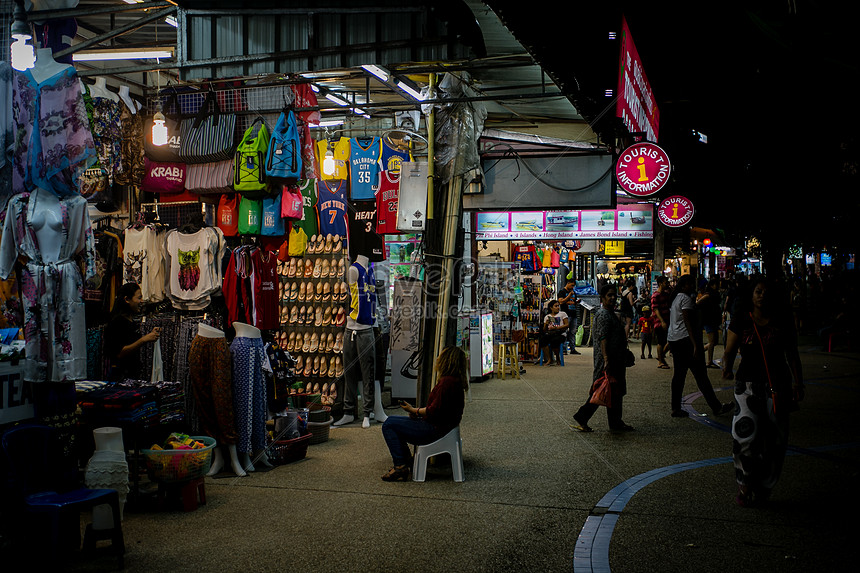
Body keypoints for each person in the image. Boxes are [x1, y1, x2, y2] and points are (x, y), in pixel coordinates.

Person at [721, 277, 804, 507]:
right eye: (758, 291)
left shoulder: (782, 321)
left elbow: (792, 354)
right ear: (751, 294)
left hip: (778, 386)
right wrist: (726, 367)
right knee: (744, 436)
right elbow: (730, 348)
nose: (762, 295)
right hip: (747, 384)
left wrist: (799, 383)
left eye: (766, 292)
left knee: (776, 440)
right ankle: (745, 483)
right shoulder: (742, 319)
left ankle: (765, 486)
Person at [380, 346, 468, 481]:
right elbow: (439, 409)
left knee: (389, 424)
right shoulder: (453, 381)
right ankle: (405, 462)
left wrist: (414, 410)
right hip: (441, 427)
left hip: (434, 429)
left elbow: (434, 411)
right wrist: (417, 413)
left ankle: (400, 465)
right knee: (393, 422)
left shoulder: (447, 382)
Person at [570, 284, 634, 433]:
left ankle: (614, 422)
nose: (612, 298)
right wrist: (606, 359)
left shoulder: (611, 313)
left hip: (615, 358)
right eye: (609, 295)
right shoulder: (604, 315)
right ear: (602, 298)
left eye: (614, 295)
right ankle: (584, 416)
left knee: (613, 390)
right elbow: (603, 337)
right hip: (608, 359)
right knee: (603, 389)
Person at [666, 275, 733, 418]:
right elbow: (688, 322)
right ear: (684, 286)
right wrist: (695, 344)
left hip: (675, 339)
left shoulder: (676, 298)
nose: (693, 287)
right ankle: (716, 407)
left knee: (679, 375)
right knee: (701, 375)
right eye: (690, 284)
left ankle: (675, 407)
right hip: (686, 341)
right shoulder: (685, 299)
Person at [104, 282, 161, 381]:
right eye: (139, 298)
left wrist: (150, 335)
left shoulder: (130, 320)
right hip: (120, 377)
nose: (141, 301)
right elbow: (119, 353)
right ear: (127, 299)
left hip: (131, 375)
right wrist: (143, 340)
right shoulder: (117, 322)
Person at [697, 278, 722, 368]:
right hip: (708, 320)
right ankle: (709, 361)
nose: (718, 286)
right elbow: (697, 303)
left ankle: (699, 352)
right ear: (712, 285)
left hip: (713, 320)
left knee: (714, 341)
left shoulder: (714, 295)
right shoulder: (708, 295)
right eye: (716, 284)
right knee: (712, 341)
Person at [651, 275, 672, 369]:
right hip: (660, 322)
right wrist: (662, 321)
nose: (667, 284)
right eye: (665, 282)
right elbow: (655, 309)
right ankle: (660, 361)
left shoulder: (666, 294)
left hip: (668, 320)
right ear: (660, 284)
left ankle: (661, 355)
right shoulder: (656, 295)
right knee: (661, 341)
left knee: (670, 340)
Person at [540, 299, 569, 365]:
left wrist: (557, 327)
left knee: (555, 341)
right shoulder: (547, 316)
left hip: (560, 333)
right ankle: (549, 358)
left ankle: (558, 358)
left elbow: (567, 325)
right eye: (555, 306)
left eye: (558, 306)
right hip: (550, 333)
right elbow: (544, 330)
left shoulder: (563, 314)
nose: (558, 307)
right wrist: (546, 324)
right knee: (542, 340)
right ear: (551, 308)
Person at [558, 280, 581, 354]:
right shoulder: (562, 292)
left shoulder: (573, 292)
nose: (572, 287)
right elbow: (561, 301)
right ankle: (564, 349)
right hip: (566, 314)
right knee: (564, 331)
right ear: (567, 283)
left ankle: (573, 348)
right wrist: (569, 296)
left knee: (572, 332)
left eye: (573, 286)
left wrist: (576, 302)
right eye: (571, 285)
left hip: (573, 314)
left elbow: (574, 302)